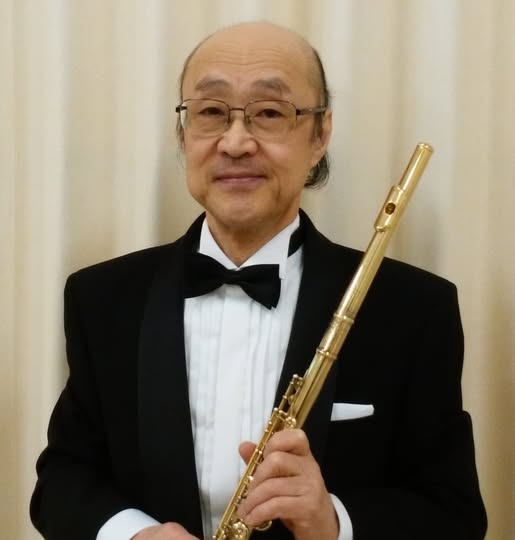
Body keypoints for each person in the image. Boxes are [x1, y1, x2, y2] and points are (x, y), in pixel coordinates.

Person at [30, 21, 487, 540]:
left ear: (320, 135)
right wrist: (133, 535)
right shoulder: (102, 299)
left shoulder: (412, 308)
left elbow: (454, 515)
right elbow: (63, 480)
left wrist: (333, 522)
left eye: (269, 113)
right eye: (210, 112)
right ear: (183, 133)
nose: (235, 142)